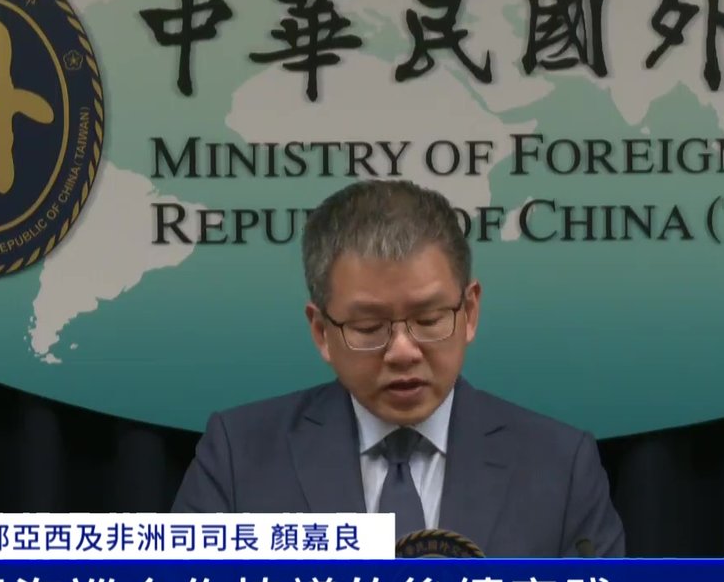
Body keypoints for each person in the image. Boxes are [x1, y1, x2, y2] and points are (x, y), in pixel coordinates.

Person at [171, 179, 626, 558]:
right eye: (369, 327)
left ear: (469, 312)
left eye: (429, 319)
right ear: (321, 331)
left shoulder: (559, 466)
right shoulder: (239, 458)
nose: (403, 351)